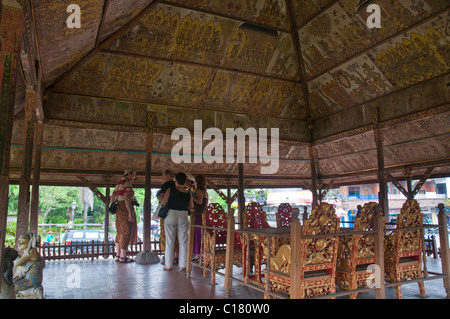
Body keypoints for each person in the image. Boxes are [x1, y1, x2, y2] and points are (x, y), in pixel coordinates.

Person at [160, 172, 194, 271]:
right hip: (183, 215)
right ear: (185, 181)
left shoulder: (171, 190)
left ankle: (168, 265)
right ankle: (183, 265)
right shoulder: (188, 192)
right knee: (183, 241)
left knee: (170, 241)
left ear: (175, 180)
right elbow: (191, 206)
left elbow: (164, 202)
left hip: (171, 214)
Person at [111, 168, 138, 263]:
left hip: (118, 208)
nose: (135, 176)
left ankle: (118, 255)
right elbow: (127, 198)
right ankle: (123, 256)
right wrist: (130, 213)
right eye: (133, 174)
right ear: (128, 174)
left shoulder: (119, 183)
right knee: (126, 231)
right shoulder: (127, 184)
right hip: (125, 208)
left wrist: (113, 207)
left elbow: (112, 197)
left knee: (119, 231)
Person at [192, 175, 208, 261]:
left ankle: (199, 254)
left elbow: (199, 201)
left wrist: (192, 197)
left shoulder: (199, 191)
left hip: (198, 214)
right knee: (201, 234)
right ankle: (202, 253)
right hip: (203, 214)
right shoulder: (205, 191)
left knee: (198, 235)